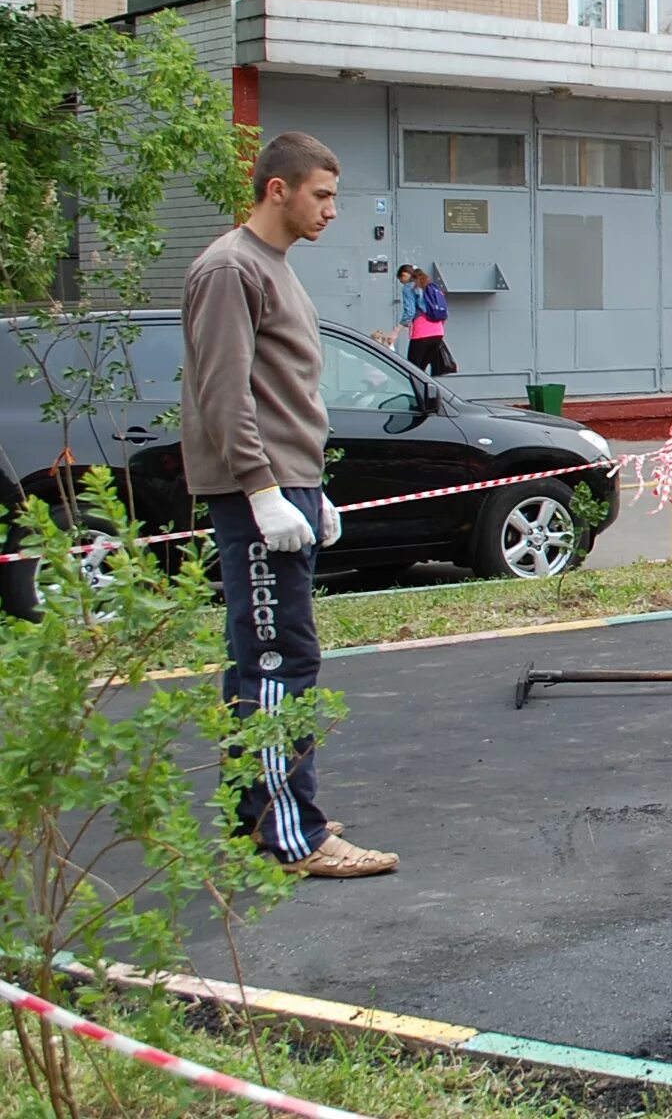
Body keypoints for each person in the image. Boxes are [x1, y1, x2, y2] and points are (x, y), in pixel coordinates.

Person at [180, 132, 399, 878]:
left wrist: (310, 485)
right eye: (322, 195)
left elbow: (282, 394)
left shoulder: (273, 267)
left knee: (262, 661)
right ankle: (290, 836)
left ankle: (262, 817)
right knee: (278, 661)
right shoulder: (230, 269)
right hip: (258, 495)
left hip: (288, 483)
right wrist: (264, 489)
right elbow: (224, 391)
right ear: (277, 189)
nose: (333, 210)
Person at [390, 265, 451, 375]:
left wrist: (395, 332)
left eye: (401, 280)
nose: (402, 283)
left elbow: (410, 312)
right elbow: (444, 311)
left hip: (422, 334)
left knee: (412, 371)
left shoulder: (409, 287)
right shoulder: (429, 285)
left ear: (404, 275)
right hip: (438, 334)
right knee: (420, 372)